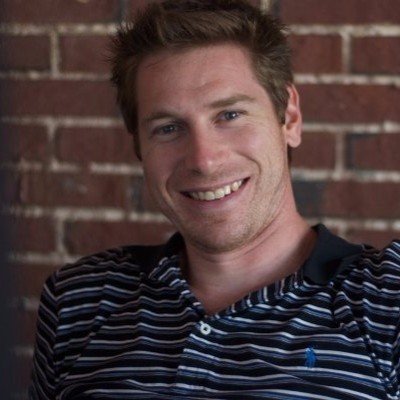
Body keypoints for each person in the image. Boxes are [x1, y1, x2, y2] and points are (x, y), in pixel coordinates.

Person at [29, 1, 400, 399]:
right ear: (139, 146)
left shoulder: (385, 301)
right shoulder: (79, 300)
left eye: (230, 115)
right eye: (168, 127)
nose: (204, 160)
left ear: (289, 117)